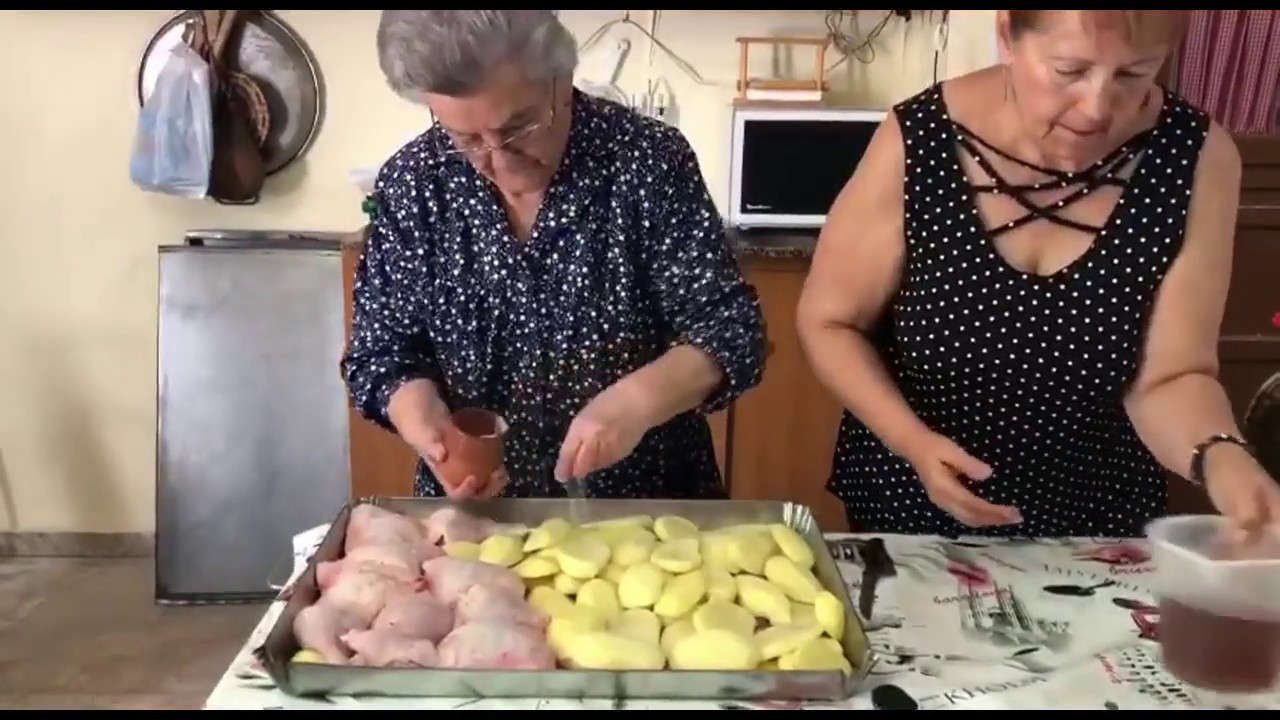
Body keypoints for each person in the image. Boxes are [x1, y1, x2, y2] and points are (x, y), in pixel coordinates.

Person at [797, 9, 1280, 538]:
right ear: (1007, 36)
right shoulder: (920, 138)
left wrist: (1220, 457)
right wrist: (911, 440)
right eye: (1069, 71)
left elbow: (1171, 374)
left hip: (1098, 523)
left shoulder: (1196, 158)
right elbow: (830, 322)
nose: (1097, 108)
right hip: (907, 512)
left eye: (1133, 75)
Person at [342, 10, 767, 501]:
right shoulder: (414, 183)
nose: (497, 161)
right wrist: (429, 429)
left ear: (561, 80)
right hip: (480, 518)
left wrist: (636, 402)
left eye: (519, 128)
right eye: (467, 140)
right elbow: (380, 353)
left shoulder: (647, 161)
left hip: (645, 510)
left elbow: (730, 331)